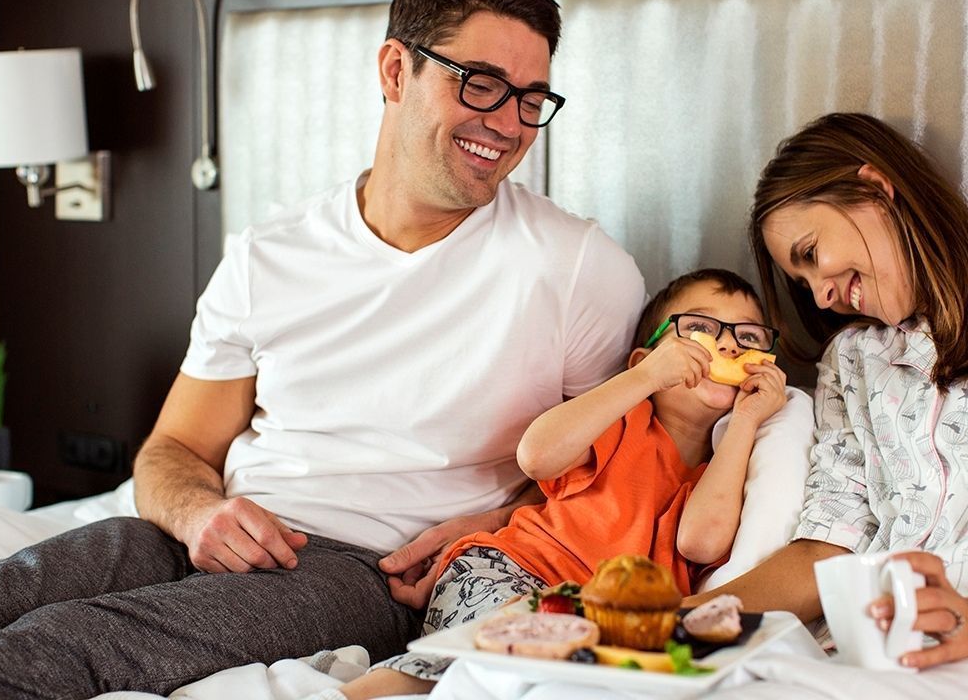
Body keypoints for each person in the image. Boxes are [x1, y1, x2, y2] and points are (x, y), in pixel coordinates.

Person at [0, 0, 646, 698]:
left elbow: (619, 481)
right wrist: (200, 513)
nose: (509, 124)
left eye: (532, 98)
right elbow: (173, 448)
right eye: (483, 85)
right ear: (396, 70)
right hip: (207, 534)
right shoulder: (270, 253)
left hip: (360, 570)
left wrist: (492, 530)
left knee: (68, 645)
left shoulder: (578, 270)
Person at [687, 112, 968, 690]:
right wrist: (669, 623)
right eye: (801, 284)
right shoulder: (853, 362)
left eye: (811, 253)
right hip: (868, 661)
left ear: (875, 187)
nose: (821, 294)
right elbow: (828, 543)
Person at [339, 268, 793, 698]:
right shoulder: (624, 418)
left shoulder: (728, 468)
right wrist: (644, 378)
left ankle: (339, 669)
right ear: (646, 357)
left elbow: (701, 543)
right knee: (492, 656)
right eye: (699, 329)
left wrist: (746, 422)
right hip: (510, 573)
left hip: (597, 618)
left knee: (550, 680)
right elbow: (536, 456)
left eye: (748, 336)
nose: (727, 346)